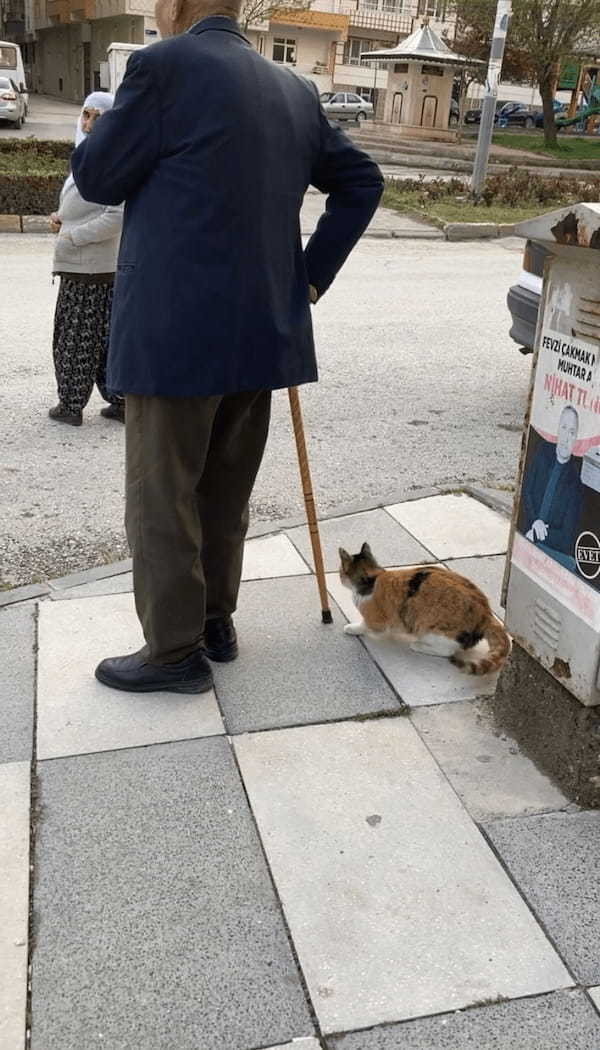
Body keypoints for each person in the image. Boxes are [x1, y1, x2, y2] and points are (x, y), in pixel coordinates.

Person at [71, 0, 384, 694]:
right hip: (260, 328)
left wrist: (88, 134)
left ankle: (173, 651)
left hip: (174, 332)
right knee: (224, 488)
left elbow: (97, 178)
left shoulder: (161, 67)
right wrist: (307, 277)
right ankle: (215, 620)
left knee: (163, 497)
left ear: (177, 6)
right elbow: (362, 182)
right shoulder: (291, 88)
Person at [49, 92, 125, 427]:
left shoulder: (115, 160)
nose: (89, 123)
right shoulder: (89, 155)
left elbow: (116, 217)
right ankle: (120, 402)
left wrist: (71, 235)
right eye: (85, 114)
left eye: (99, 117)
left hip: (91, 266)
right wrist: (62, 218)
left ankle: (70, 405)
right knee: (104, 338)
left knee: (74, 337)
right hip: (91, 265)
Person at [520, 404, 583, 560]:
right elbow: (526, 489)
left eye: (572, 432)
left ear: (576, 438)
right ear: (557, 429)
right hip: (523, 533)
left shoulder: (575, 483)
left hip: (547, 552)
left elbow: (566, 538)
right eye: (564, 427)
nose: (566, 437)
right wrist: (534, 521)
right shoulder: (543, 451)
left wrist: (536, 535)